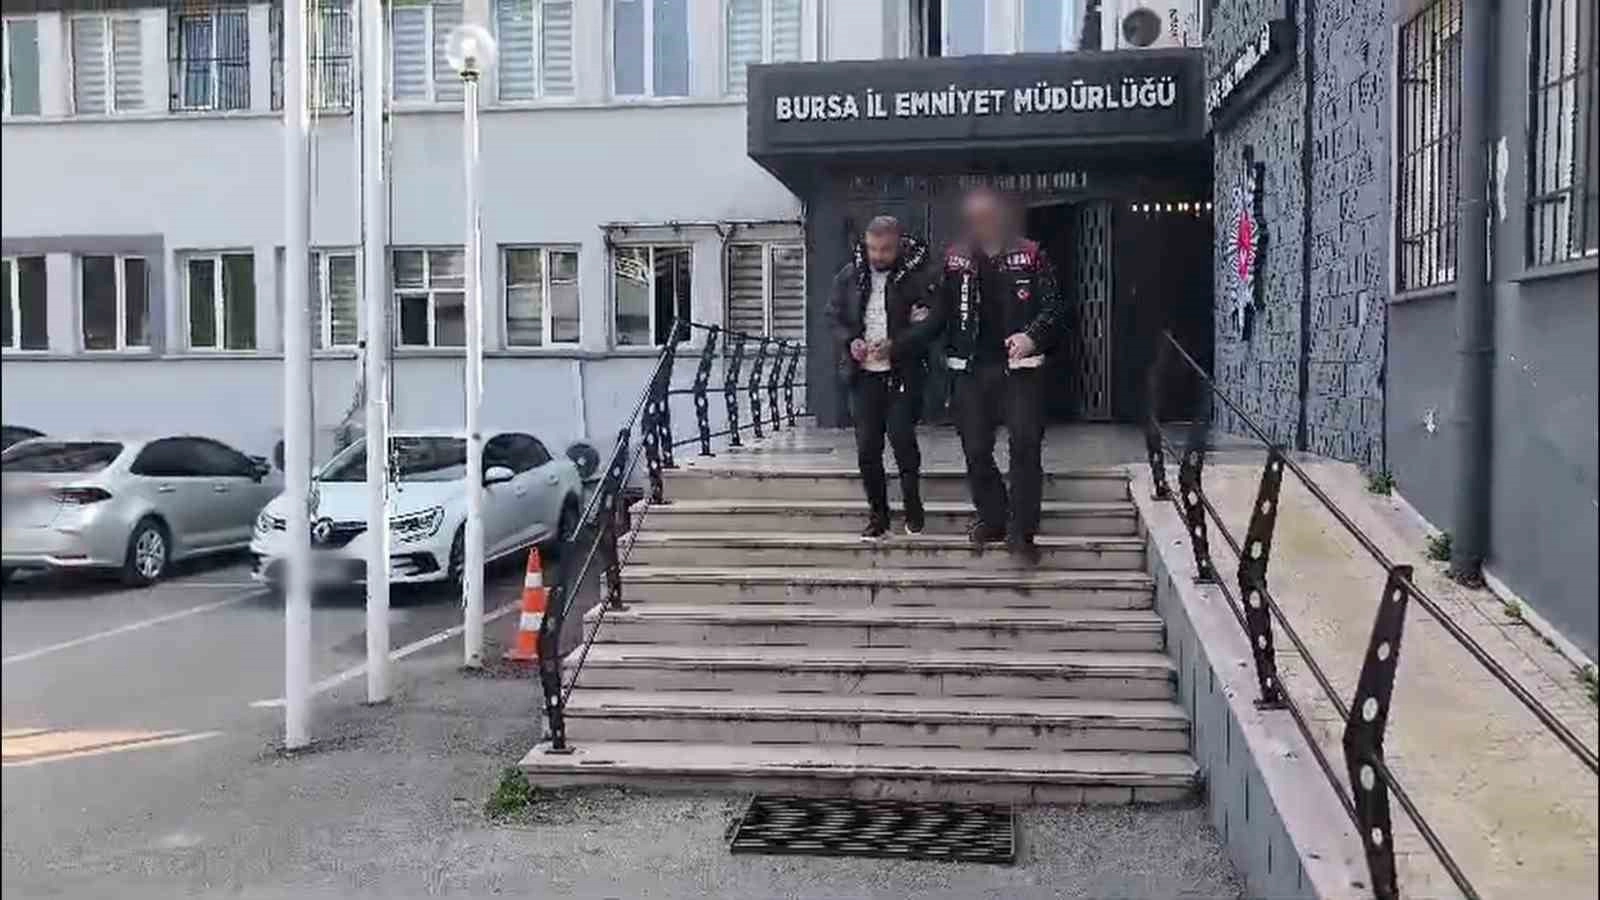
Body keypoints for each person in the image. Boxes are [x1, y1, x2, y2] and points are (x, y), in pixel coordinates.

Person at [940, 187, 1067, 563]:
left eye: (987, 215)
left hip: (1020, 369)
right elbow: (939, 308)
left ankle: (1022, 532)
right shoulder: (954, 259)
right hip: (971, 368)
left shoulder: (1031, 254)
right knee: (975, 448)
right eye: (974, 217)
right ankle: (993, 517)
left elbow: (1056, 309)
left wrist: (1032, 337)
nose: (981, 223)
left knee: (1025, 446)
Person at [826, 215, 943, 539]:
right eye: (873, 248)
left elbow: (933, 322)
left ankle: (912, 505)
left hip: (902, 372)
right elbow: (833, 315)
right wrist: (851, 341)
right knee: (867, 448)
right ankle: (878, 514)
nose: (878, 255)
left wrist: (897, 344)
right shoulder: (849, 275)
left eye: (885, 249)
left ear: (898, 246)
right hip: (863, 375)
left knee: (903, 441)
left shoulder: (915, 277)